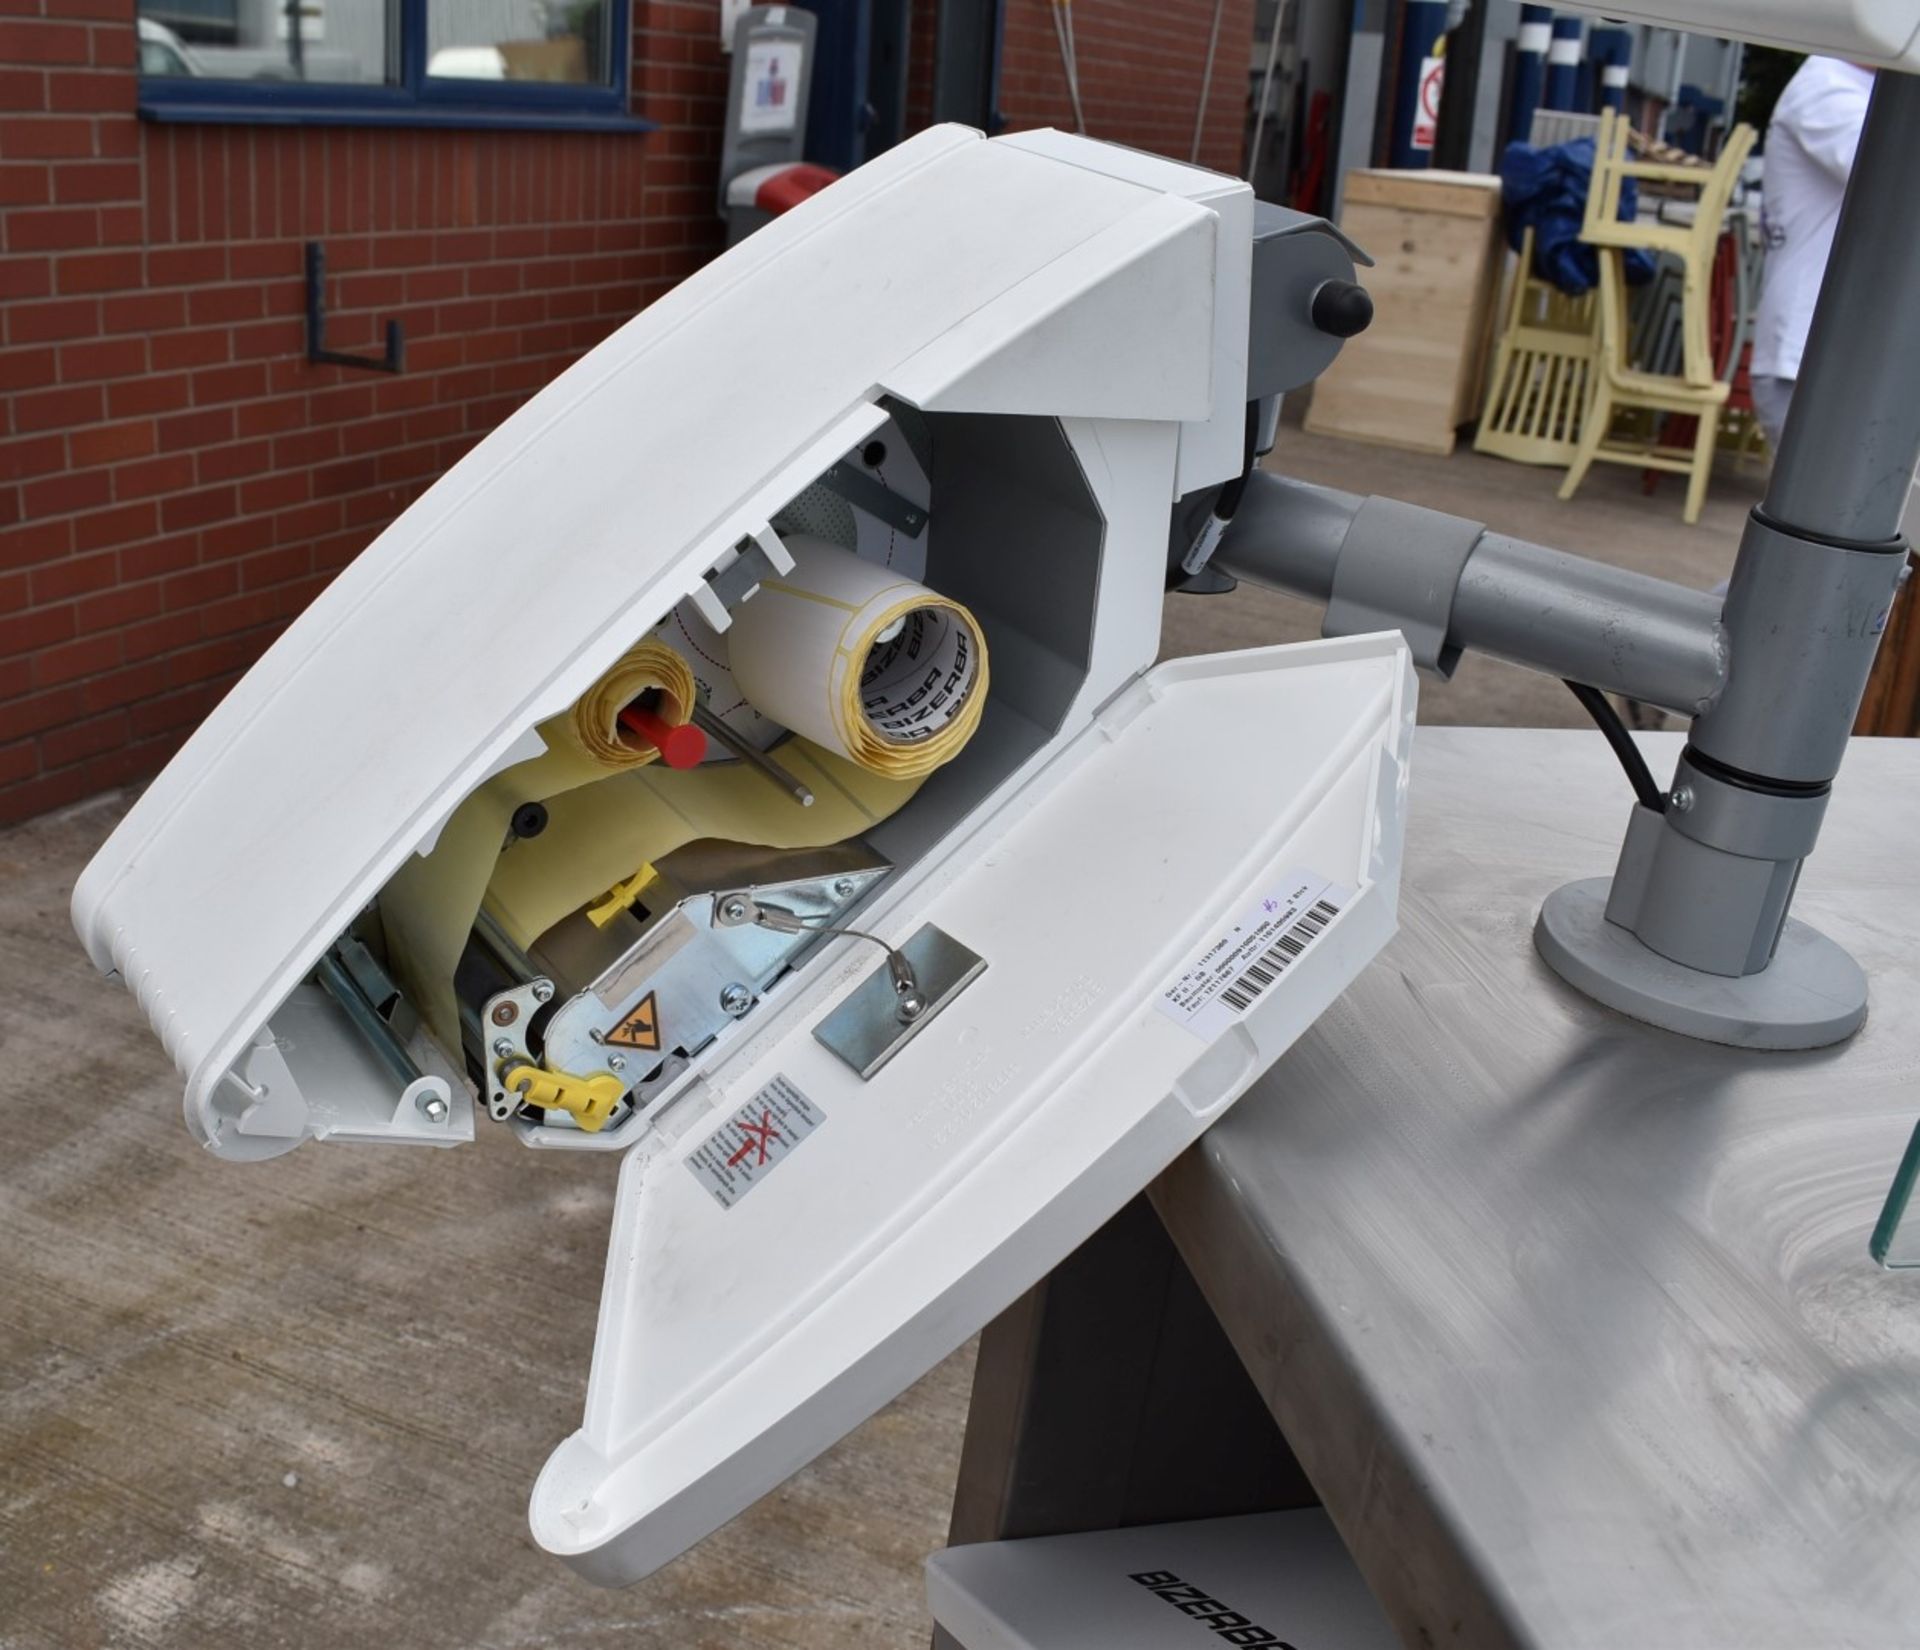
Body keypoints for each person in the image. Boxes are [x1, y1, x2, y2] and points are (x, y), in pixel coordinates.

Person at [1750, 57, 1876, 451]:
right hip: (1809, 363)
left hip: (1827, 358)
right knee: (1827, 511)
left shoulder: (1867, 90)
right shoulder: (1827, 88)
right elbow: (1895, 172)